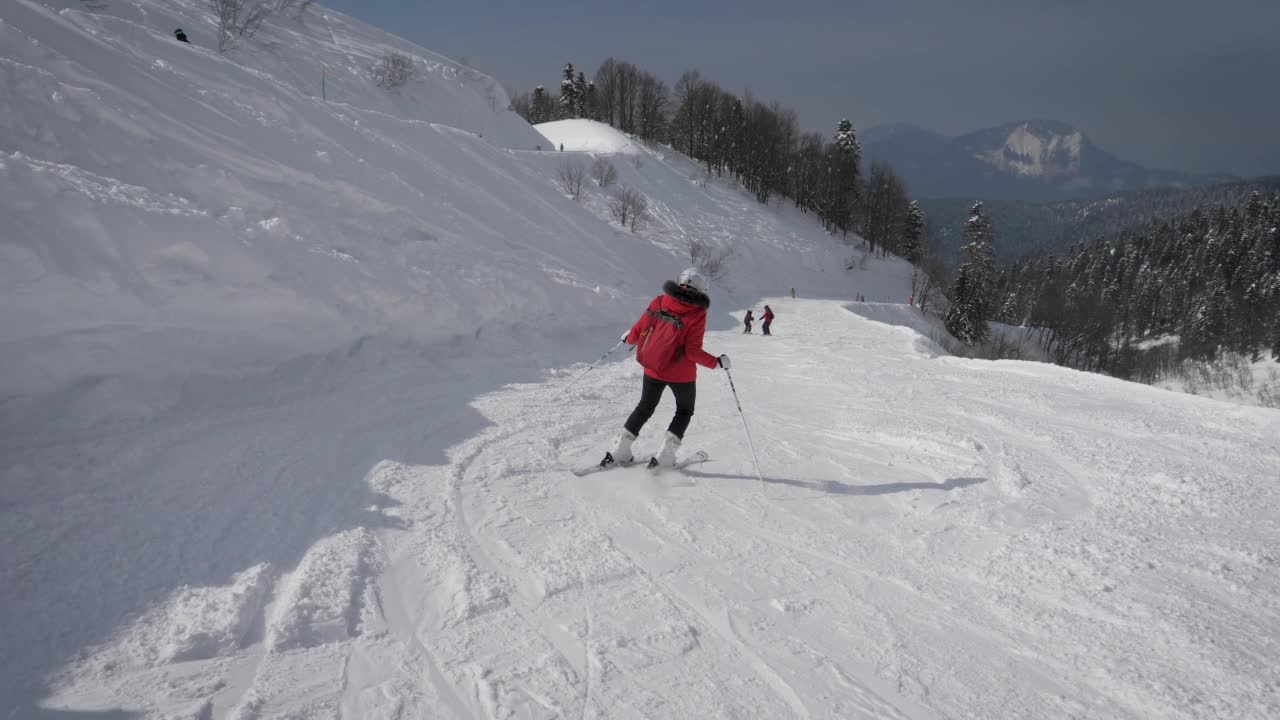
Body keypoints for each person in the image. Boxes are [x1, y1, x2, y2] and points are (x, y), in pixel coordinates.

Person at [600, 268, 729, 469]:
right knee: (684, 410)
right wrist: (717, 362)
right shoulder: (697, 313)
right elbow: (692, 352)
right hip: (681, 374)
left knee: (644, 408)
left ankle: (619, 450)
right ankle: (665, 456)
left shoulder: (659, 301)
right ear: (701, 289)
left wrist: (629, 338)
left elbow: (640, 328)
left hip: (653, 367)